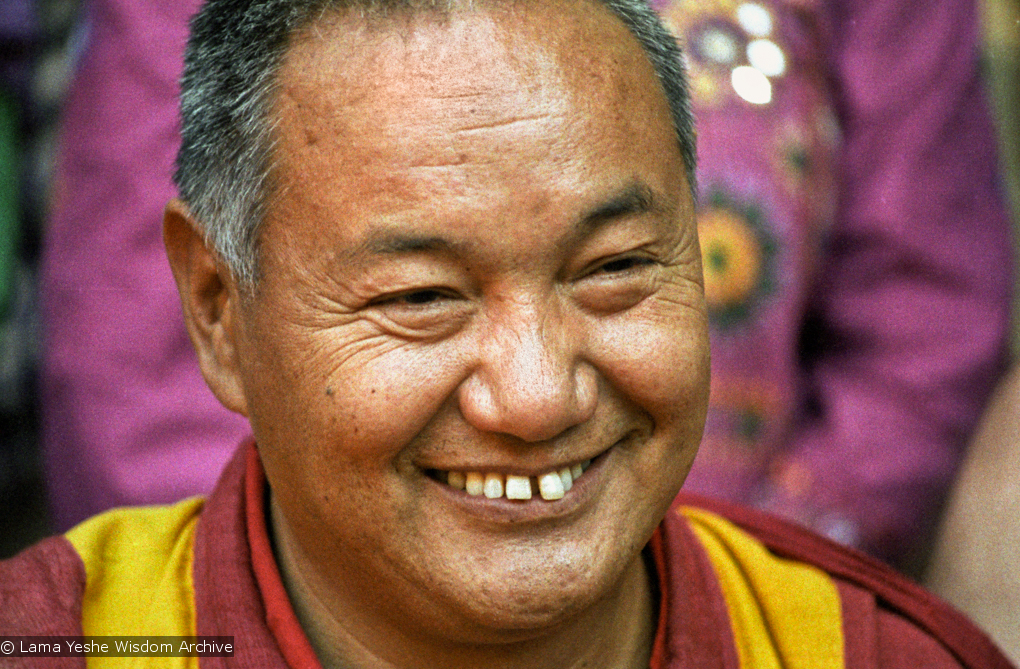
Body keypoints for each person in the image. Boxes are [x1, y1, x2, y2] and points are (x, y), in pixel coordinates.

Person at [1, 1, 1013, 667]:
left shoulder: (859, 649)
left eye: (613, 268)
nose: (536, 397)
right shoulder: (69, 639)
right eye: (420, 296)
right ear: (219, 312)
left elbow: (925, 312)